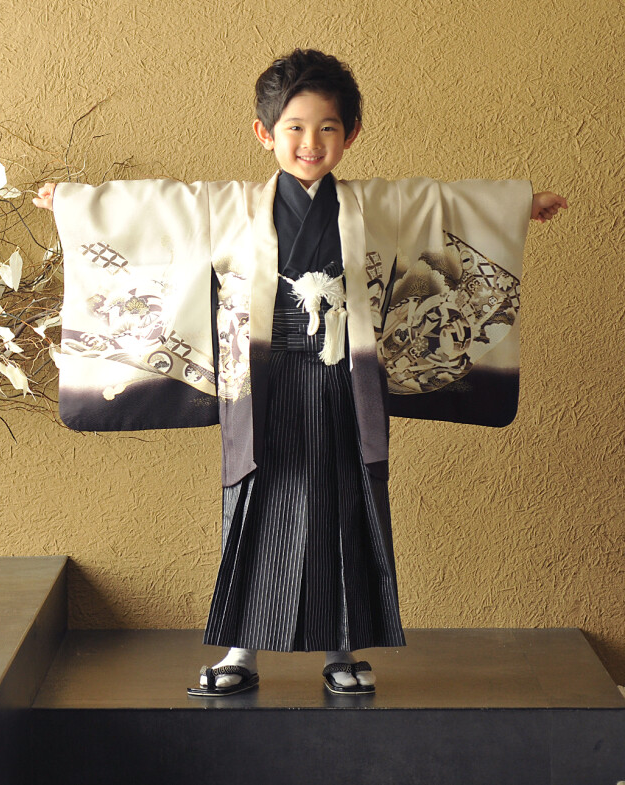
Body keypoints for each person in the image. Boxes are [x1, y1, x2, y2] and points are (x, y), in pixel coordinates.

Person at [34, 48, 567, 697]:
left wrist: (518, 206)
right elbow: (158, 207)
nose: (310, 143)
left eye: (327, 128)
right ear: (264, 133)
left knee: (346, 503)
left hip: (343, 380)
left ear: (351, 135)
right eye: (294, 127)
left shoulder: (375, 206)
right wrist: (74, 205)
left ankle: (341, 651)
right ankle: (241, 652)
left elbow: (445, 204)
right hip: (265, 383)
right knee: (255, 504)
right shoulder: (229, 206)